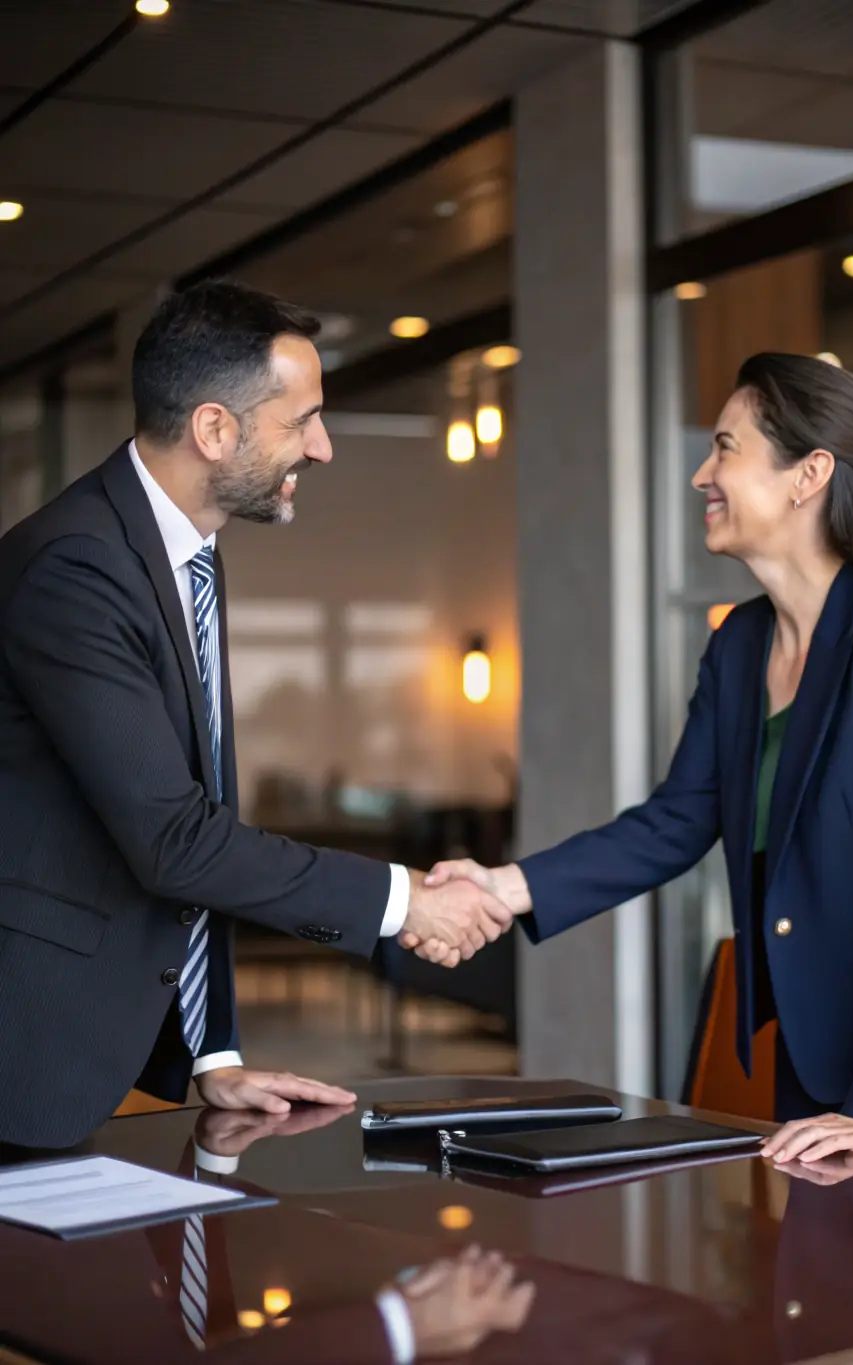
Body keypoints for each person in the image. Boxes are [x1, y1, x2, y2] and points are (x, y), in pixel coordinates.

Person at [416, 352, 853, 1166]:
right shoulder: (739, 644)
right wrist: (502, 886)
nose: (702, 473)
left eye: (725, 448)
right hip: (814, 1056)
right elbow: (675, 822)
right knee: (822, 1289)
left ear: (809, 474)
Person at [0, 280, 511, 1151]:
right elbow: (175, 838)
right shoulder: (75, 570)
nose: (322, 446)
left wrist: (212, 1051)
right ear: (214, 430)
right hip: (31, 1057)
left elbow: (195, 815)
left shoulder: (187, 555)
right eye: (302, 418)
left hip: (110, 1057)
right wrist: (401, 900)